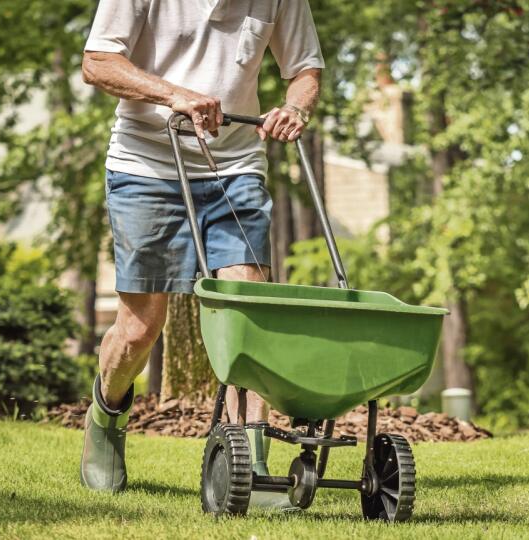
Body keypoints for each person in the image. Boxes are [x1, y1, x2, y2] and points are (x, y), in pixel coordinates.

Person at [79, 0, 324, 496]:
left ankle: (248, 462)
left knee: (247, 319)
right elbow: (98, 62)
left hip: (234, 168)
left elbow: (305, 69)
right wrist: (174, 95)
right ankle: (105, 419)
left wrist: (294, 108)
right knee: (141, 328)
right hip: (145, 165)